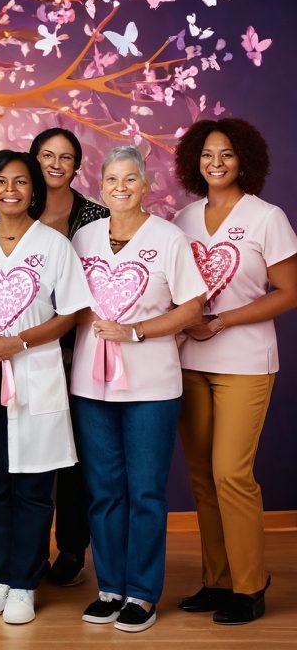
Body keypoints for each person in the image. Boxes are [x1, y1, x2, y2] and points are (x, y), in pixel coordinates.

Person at [69, 146, 206, 633]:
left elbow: (192, 305)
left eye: (130, 178)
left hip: (151, 384)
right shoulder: (84, 238)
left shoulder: (169, 238)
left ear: (146, 185)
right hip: (91, 383)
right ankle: (110, 587)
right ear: (101, 187)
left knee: (145, 491)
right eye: (112, 179)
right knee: (103, 489)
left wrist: (136, 331)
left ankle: (142, 593)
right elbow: (70, 301)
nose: (121, 187)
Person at [0, 150, 93, 625]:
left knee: (33, 488)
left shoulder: (54, 245)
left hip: (35, 375)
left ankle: (25, 584)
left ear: (34, 189)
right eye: (1, 181)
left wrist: (18, 342)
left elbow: (70, 312)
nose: (10, 190)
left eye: (20, 181)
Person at [172, 119, 297, 625]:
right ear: (194, 161)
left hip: (245, 361)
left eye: (226, 154)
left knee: (231, 472)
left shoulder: (267, 217)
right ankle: (217, 580)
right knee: (202, 476)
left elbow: (289, 292)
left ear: (244, 159)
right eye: (207, 154)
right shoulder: (182, 218)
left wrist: (221, 321)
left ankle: (250, 584)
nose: (216, 163)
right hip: (189, 361)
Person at [31, 127, 109, 587]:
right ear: (34, 159)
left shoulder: (97, 216)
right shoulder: (15, 206)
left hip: (81, 350)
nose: (55, 164)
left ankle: (73, 548)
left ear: (77, 167)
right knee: (32, 453)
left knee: (76, 457)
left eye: (65, 157)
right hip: (27, 352)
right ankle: (30, 548)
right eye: (47, 155)